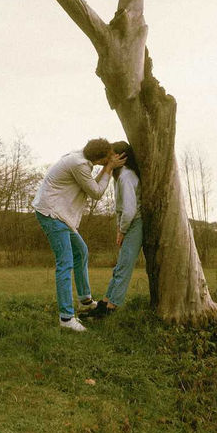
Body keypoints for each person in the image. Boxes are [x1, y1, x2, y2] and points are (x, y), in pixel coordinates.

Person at [33, 138, 126, 332]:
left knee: (81, 251)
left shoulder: (82, 159)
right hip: (52, 213)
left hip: (62, 214)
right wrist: (109, 168)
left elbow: (92, 182)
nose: (109, 159)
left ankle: (85, 300)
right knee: (65, 262)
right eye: (107, 157)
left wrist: (105, 166)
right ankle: (66, 318)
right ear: (99, 158)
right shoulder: (78, 164)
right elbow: (97, 192)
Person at [88, 140, 143, 318]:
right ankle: (105, 302)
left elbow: (129, 211)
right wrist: (119, 230)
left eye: (111, 155)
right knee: (120, 266)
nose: (107, 159)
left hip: (135, 223)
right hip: (128, 224)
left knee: (124, 267)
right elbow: (121, 209)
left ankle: (112, 307)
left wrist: (123, 230)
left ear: (121, 158)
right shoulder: (119, 177)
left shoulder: (126, 177)